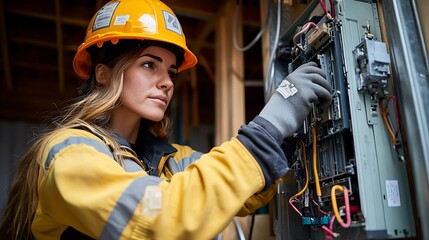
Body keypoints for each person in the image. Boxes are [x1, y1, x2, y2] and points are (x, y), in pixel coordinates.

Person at [0, 0, 332, 239]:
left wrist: (285, 145)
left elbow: (233, 193)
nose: (167, 82)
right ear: (103, 73)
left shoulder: (168, 159)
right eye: (149, 65)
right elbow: (158, 221)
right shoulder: (68, 155)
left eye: (171, 71)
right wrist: (269, 127)